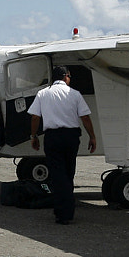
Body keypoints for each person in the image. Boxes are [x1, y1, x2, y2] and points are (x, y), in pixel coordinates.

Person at [27, 66, 97, 224]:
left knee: (58, 174)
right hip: (71, 136)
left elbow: (35, 117)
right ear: (65, 77)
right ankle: (66, 209)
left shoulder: (42, 94)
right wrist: (92, 137)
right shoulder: (75, 94)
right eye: (70, 76)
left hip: (52, 136)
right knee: (69, 171)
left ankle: (62, 212)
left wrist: (34, 136)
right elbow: (85, 117)